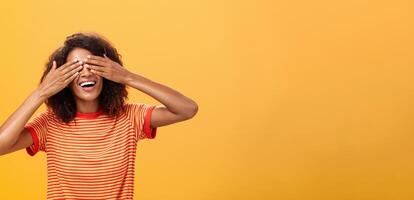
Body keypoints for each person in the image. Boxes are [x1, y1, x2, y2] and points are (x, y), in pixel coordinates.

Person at [0, 32, 198, 199]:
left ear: (107, 72)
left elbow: (187, 109)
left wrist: (128, 77)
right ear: (64, 80)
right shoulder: (49, 124)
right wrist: (41, 92)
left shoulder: (129, 117)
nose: (86, 73)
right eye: (76, 68)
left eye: (93, 65)